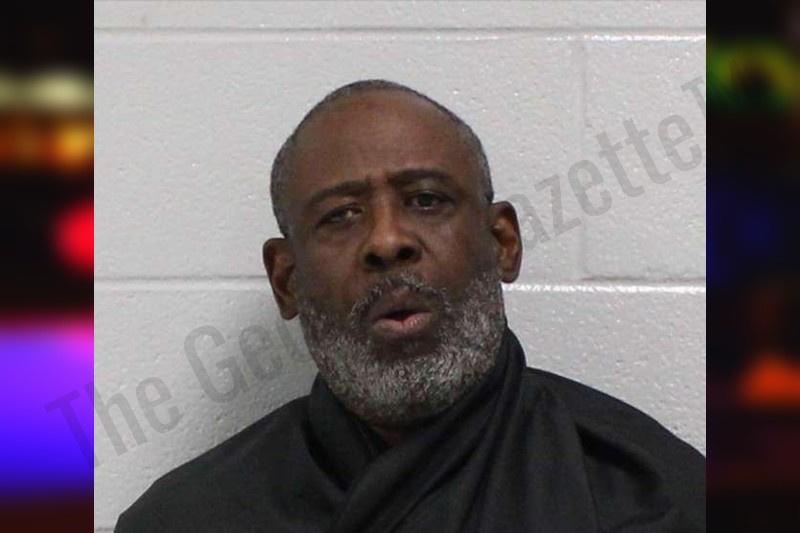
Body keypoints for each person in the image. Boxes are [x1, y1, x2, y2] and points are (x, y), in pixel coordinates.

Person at [116, 80, 705, 532]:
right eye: (340, 216)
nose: (386, 240)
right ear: (287, 280)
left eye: (426, 200)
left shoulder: (660, 500)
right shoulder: (188, 519)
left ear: (502, 243)